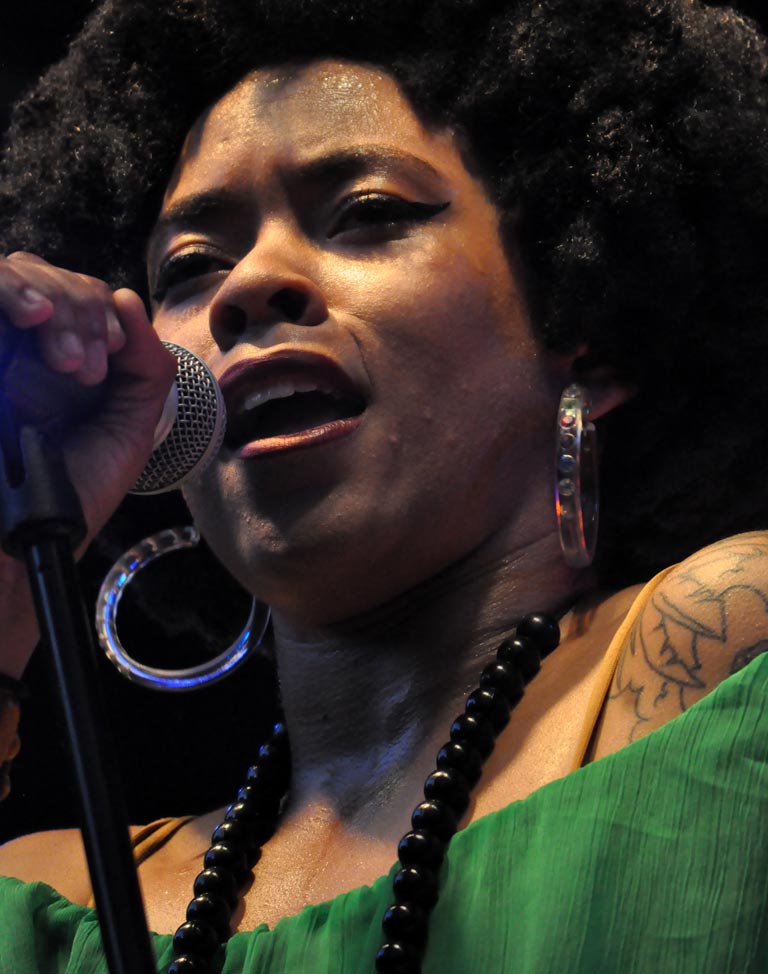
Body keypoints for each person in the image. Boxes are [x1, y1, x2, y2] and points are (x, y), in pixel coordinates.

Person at [1, 0, 768, 971]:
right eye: (190, 266)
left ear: (588, 322)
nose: (247, 285)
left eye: (368, 214)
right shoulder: (44, 901)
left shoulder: (727, 648)